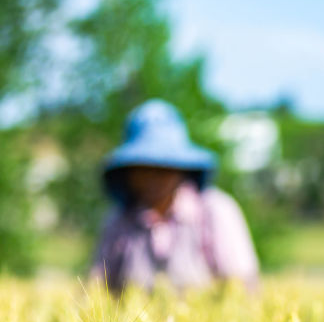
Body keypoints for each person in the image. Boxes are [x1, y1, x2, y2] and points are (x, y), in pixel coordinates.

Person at [91, 99, 259, 293]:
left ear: (181, 169)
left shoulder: (215, 210)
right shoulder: (119, 222)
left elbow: (242, 289)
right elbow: (96, 291)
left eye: (163, 168)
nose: (151, 178)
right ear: (127, 173)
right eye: (142, 169)